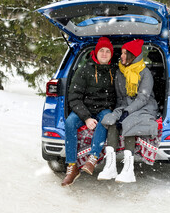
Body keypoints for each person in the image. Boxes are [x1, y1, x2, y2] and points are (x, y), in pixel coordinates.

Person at [99, 39, 158, 183]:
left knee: (130, 122)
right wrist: (118, 112)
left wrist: (127, 112)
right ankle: (110, 166)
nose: (122, 56)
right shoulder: (120, 72)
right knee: (111, 120)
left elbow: (143, 98)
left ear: (133, 55)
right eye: (122, 53)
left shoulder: (145, 73)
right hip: (125, 106)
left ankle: (129, 170)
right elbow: (120, 97)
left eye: (125, 53)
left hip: (144, 107)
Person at [61, 37, 116, 186]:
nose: (104, 54)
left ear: (111, 54)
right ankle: (72, 167)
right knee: (70, 122)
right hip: (84, 108)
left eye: (107, 51)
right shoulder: (84, 70)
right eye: (101, 51)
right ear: (96, 52)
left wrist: (112, 109)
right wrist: (86, 118)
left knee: (106, 119)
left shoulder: (114, 71)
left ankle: (93, 158)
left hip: (103, 109)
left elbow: (118, 95)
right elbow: (74, 97)